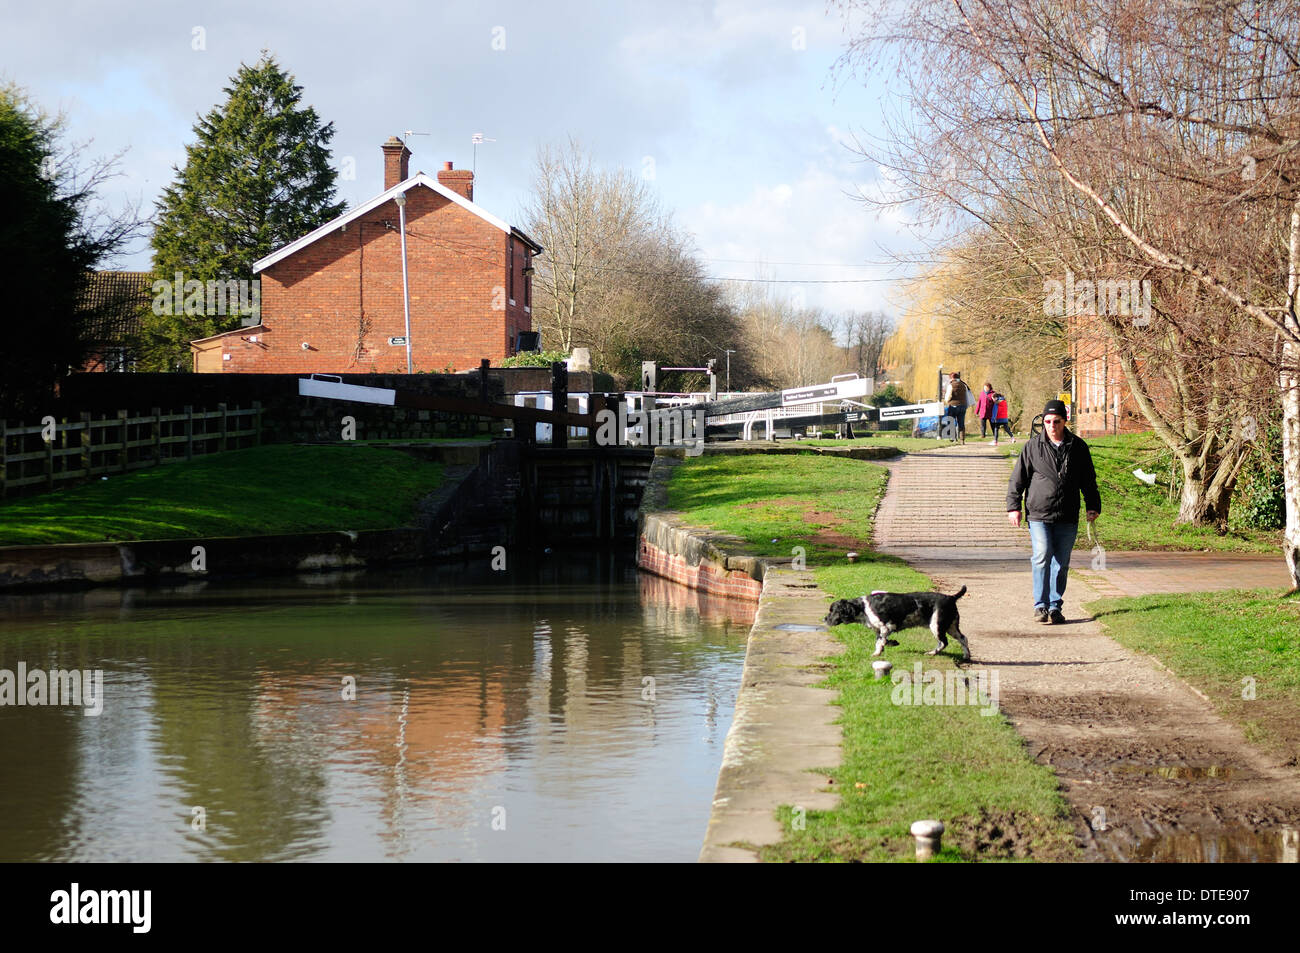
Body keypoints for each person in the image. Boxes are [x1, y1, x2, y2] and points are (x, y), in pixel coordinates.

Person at [1005, 399, 1101, 624]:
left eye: (1056, 421)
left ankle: (1055, 606)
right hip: (1039, 513)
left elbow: (1088, 480)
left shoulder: (1078, 447)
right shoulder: (1032, 447)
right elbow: (1017, 479)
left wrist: (1093, 505)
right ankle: (1040, 605)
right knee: (1042, 555)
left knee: (1061, 561)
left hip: (1067, 514)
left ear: (1064, 421)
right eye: (1047, 421)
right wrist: (1013, 507)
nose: (1051, 426)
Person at [943, 371, 969, 444]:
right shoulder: (964, 385)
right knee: (961, 423)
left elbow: (948, 396)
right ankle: (962, 440)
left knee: (950, 421)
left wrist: (947, 401)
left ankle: (953, 437)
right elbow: (967, 396)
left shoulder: (951, 385)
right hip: (963, 406)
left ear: (952, 378)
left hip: (953, 406)